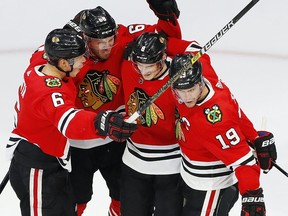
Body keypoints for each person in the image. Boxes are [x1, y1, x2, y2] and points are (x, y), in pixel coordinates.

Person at [63, 1, 183, 215]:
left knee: (123, 197)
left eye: (111, 39)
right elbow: (43, 71)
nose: (107, 46)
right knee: (75, 200)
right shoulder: (71, 54)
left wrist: (165, 16)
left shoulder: (123, 37)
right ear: (85, 38)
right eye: (100, 42)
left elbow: (164, 38)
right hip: (77, 143)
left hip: (116, 136)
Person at [6, 28, 137, 216]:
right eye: (79, 57)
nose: (85, 61)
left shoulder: (41, 64)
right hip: (38, 166)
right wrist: (103, 121)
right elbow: (70, 121)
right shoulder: (48, 92)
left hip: (50, 160)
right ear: (63, 62)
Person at [168, 53, 277, 215]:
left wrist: (252, 196)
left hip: (211, 186)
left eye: (190, 90)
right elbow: (193, 48)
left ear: (200, 82)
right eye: (180, 91)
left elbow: (245, 162)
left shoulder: (216, 122)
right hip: (188, 176)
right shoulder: (206, 71)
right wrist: (253, 136)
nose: (186, 97)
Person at [120, 32, 182, 215]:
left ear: (163, 58)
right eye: (139, 65)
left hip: (172, 166)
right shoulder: (128, 66)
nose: (143, 71)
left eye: (149, 66)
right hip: (133, 163)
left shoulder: (180, 79)